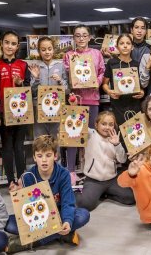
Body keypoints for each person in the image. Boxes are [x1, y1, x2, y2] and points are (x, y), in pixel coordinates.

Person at [7, 135, 90, 251]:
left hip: (58, 215)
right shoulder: (28, 176)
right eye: (40, 156)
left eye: (48, 155)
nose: (44, 160)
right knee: (8, 223)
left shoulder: (63, 174)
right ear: (34, 158)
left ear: (55, 156)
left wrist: (67, 222)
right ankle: (63, 235)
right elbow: (26, 209)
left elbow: (68, 202)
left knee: (83, 215)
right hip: (38, 218)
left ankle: (33, 242)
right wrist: (18, 195)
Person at [63, 25, 106, 183]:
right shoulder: (69, 55)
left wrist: (97, 82)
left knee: (92, 136)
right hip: (76, 100)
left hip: (93, 98)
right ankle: (71, 172)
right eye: (78, 36)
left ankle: (90, 168)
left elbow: (102, 71)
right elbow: (68, 74)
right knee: (73, 136)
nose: (81, 38)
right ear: (74, 38)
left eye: (84, 35)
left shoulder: (96, 54)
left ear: (89, 37)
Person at [0, 30, 31, 185]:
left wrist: (21, 84)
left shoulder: (23, 65)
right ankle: (11, 182)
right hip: (2, 113)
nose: (10, 46)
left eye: (13, 43)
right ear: (2, 44)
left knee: (19, 147)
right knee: (7, 147)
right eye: (7, 42)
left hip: (20, 113)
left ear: (17, 46)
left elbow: (27, 87)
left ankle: (21, 179)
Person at [77, 111, 135, 211]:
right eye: (103, 124)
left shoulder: (115, 139)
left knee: (130, 198)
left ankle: (105, 194)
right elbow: (79, 122)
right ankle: (77, 192)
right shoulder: (91, 134)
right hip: (93, 180)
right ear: (96, 125)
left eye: (110, 124)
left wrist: (117, 144)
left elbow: (122, 159)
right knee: (85, 204)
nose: (107, 127)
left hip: (111, 180)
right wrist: (74, 106)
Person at [29, 36, 68, 139]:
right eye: (43, 49)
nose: (47, 52)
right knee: (40, 140)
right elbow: (32, 92)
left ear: (53, 50)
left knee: (56, 140)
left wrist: (60, 80)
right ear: (39, 51)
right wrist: (36, 78)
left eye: (49, 49)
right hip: (39, 110)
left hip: (57, 109)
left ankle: (57, 156)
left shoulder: (60, 66)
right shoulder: (35, 67)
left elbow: (67, 89)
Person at [102, 33, 144, 125]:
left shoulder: (136, 64)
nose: (125, 46)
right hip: (118, 103)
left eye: (128, 43)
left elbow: (141, 85)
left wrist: (142, 92)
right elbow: (104, 84)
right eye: (121, 43)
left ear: (132, 47)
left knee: (135, 130)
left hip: (134, 103)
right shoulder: (112, 63)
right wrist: (109, 92)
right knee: (120, 130)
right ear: (117, 47)